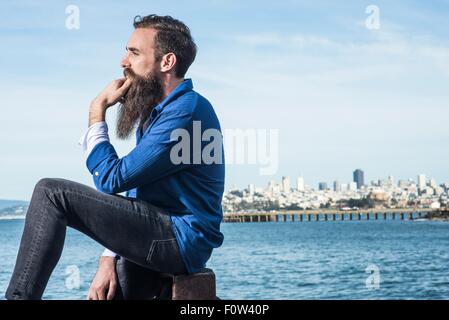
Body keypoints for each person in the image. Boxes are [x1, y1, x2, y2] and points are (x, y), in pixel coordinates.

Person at [5, 14, 225, 300]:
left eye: (134, 53)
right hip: (163, 235)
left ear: (166, 62)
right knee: (116, 288)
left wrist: (97, 111)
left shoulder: (186, 111)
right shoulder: (160, 113)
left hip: (180, 241)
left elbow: (111, 179)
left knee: (51, 193)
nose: (124, 62)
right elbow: (135, 191)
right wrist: (108, 257)